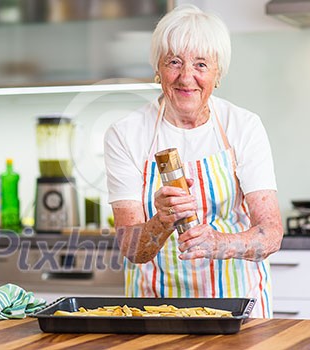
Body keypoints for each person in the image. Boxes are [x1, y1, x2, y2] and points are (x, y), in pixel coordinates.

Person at [103, 4, 283, 318]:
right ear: (158, 68)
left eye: (201, 64)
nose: (187, 77)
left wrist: (219, 243)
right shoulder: (126, 134)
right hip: (155, 312)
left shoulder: (242, 126)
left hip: (238, 309)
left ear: (218, 72)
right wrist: (161, 221)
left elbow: (270, 233)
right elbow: (131, 248)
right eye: (174, 62)